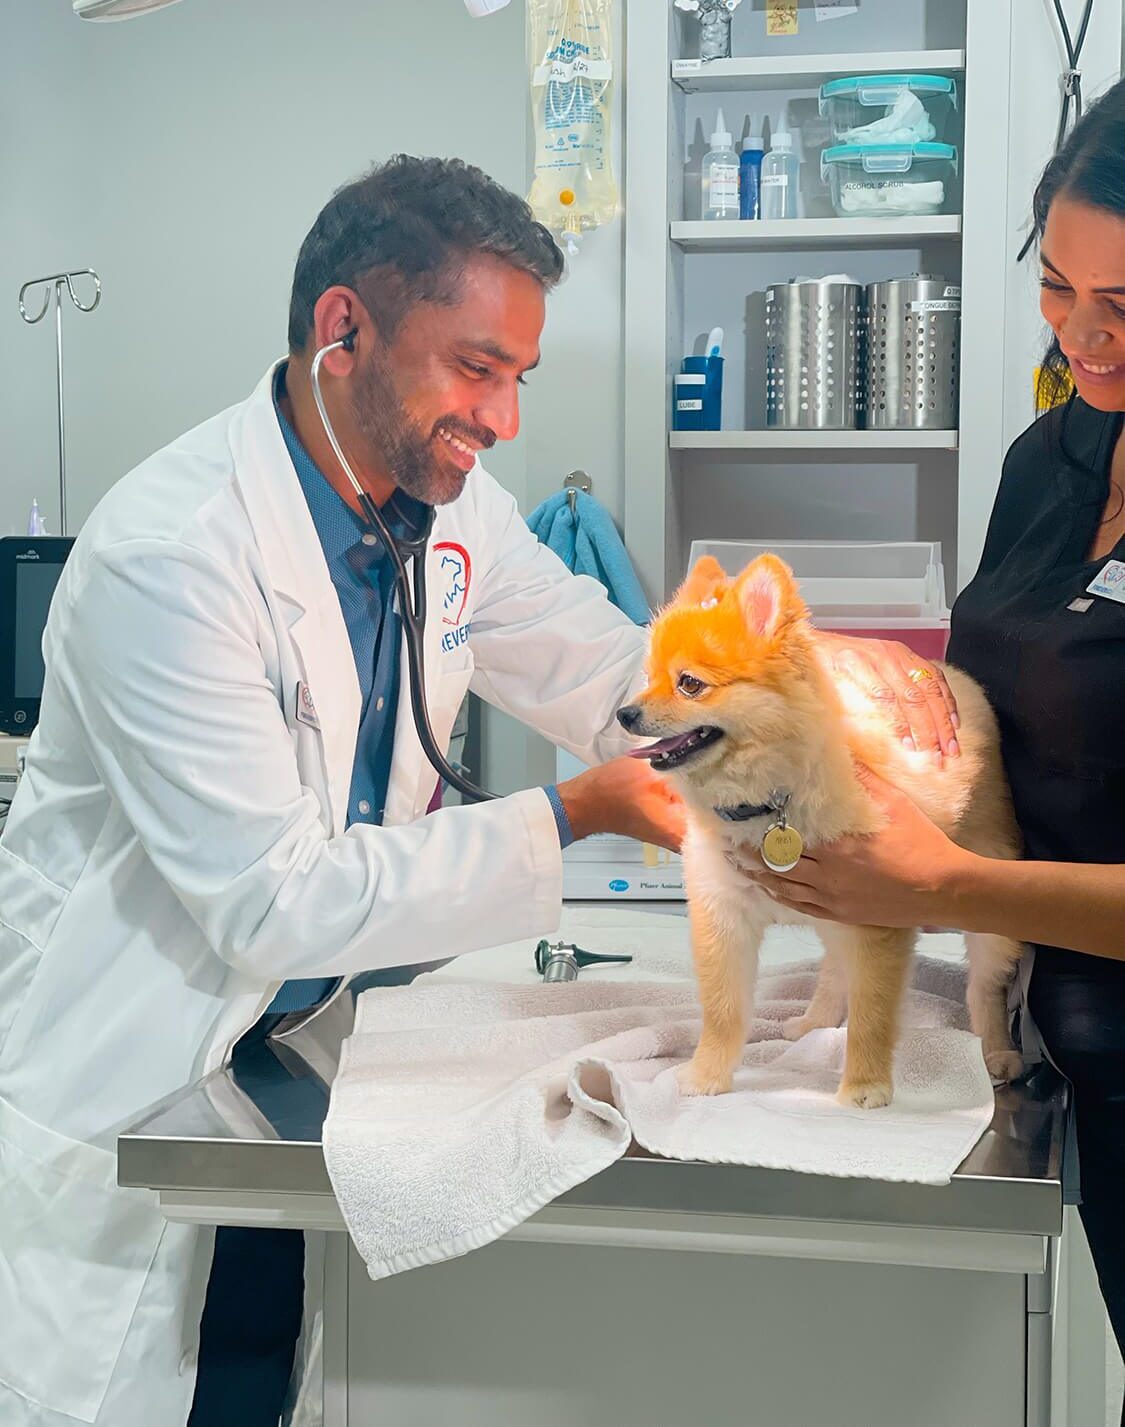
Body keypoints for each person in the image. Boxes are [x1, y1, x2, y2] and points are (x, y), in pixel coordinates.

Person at [0, 155, 684, 1427]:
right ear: (342, 329)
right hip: (130, 1099)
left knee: (258, 1379)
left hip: (281, 1081)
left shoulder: (452, 510)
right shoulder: (174, 554)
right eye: (476, 367)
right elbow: (274, 902)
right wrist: (577, 812)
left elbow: (605, 667)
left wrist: (784, 694)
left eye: (520, 377)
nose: (504, 417)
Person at [740, 81, 1125, 1411]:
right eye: (1057, 286)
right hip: (1076, 1069)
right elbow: (1005, 695)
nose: (1083, 334)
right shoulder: (1050, 461)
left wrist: (945, 885)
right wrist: (884, 694)